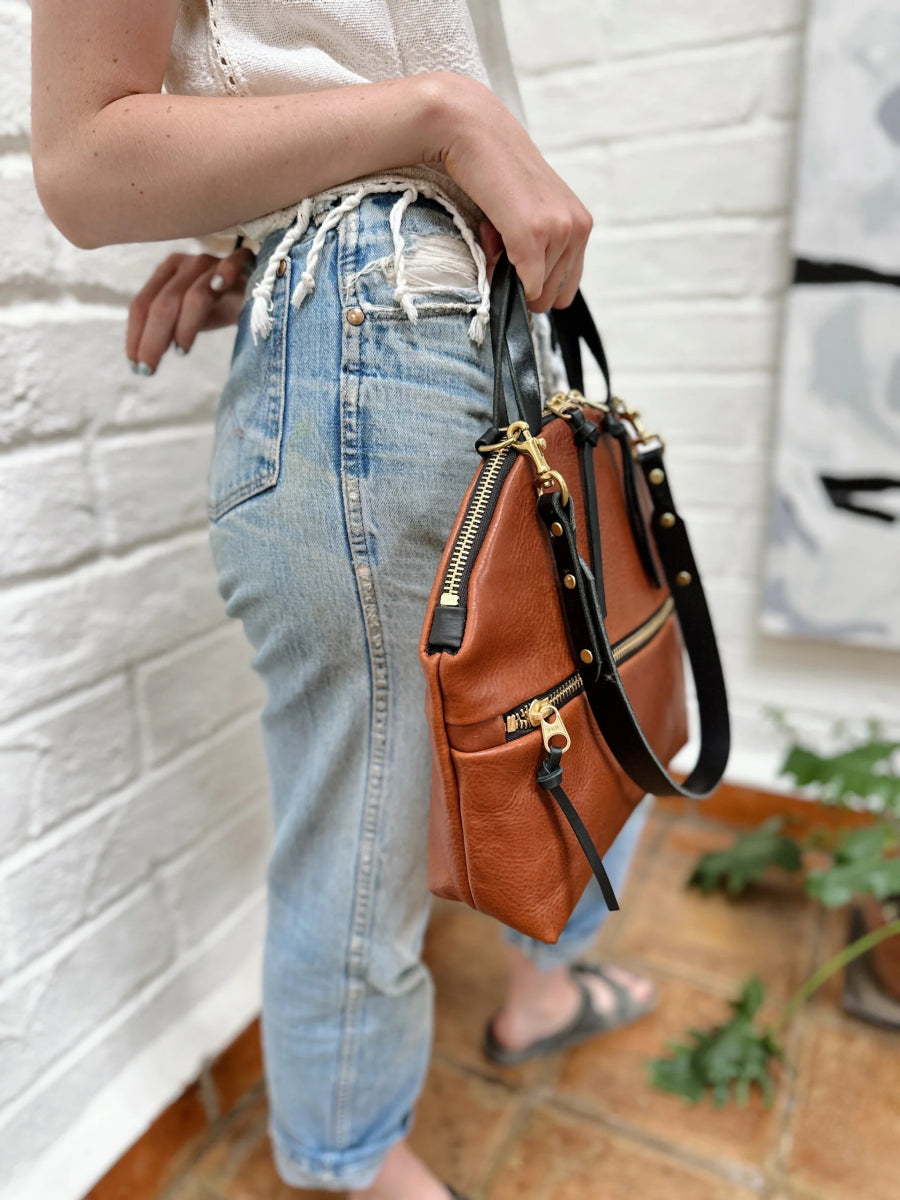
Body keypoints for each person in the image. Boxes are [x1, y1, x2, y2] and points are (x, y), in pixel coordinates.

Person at [31, 3, 657, 1196]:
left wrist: (268, 238)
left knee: (562, 694)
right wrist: (444, 115)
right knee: (365, 823)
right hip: (378, 336)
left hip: (467, 314)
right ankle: (351, 1167)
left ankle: (545, 985)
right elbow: (82, 159)